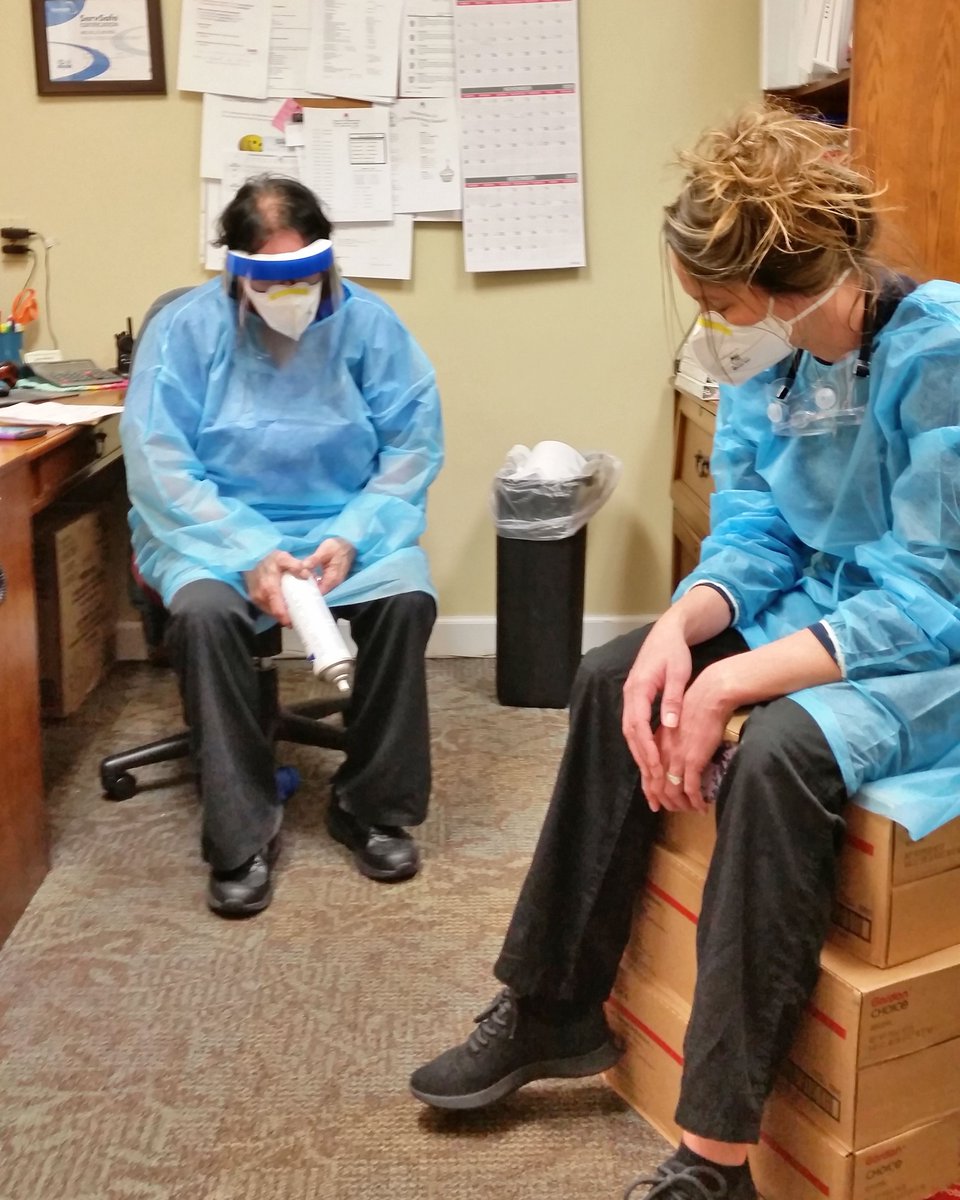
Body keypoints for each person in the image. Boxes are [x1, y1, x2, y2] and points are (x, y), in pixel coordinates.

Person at [409, 105, 960, 1199]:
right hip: (828, 601)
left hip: (930, 643)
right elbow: (756, 529)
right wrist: (680, 627)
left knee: (779, 752)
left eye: (718, 302)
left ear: (793, 284)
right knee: (617, 673)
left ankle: (715, 1156)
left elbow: (934, 594)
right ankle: (552, 1005)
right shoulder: (774, 364)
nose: (709, 326)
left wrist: (743, 680)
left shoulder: (937, 354)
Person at [121, 175, 443, 917]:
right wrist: (246, 550)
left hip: (342, 526)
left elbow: (410, 448)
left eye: (306, 276)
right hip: (208, 530)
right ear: (233, 271)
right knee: (204, 616)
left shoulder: (371, 324)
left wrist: (353, 535)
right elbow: (160, 463)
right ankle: (241, 833)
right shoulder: (186, 332)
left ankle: (372, 805)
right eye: (272, 279)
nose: (293, 293)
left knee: (406, 602)